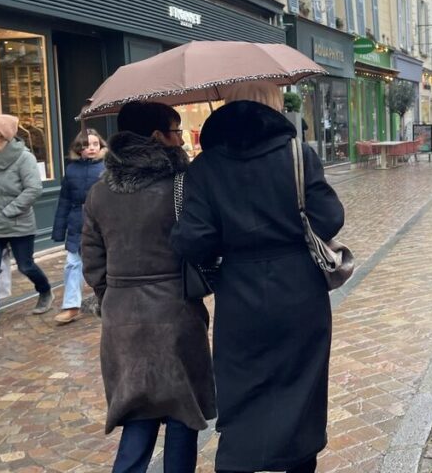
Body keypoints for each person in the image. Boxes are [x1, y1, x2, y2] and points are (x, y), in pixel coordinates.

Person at [170, 82, 345, 473]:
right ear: (274, 105)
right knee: (301, 385)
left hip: (239, 295)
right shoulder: (299, 155)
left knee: (243, 387)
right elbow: (330, 217)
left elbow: (193, 241)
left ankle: (237, 462)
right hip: (300, 291)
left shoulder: (206, 167)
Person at [82, 102, 215, 473]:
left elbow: (92, 257)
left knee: (138, 410)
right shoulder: (181, 185)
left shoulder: (100, 192)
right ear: (158, 136)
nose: (181, 139)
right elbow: (200, 241)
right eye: (176, 131)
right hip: (175, 311)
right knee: (181, 410)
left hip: (122, 318)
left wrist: (111, 297)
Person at [0, 115, 52, 334]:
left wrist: (9, 211)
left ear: (3, 132)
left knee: (26, 266)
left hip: (17, 224)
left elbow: (34, 189)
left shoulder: (24, 158)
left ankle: (44, 291)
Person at [50, 129, 105, 325]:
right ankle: (71, 306)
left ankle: (106, 298)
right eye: (86, 145)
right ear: (78, 149)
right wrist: (59, 229)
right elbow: (64, 200)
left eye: (95, 144)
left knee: (103, 262)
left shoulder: (108, 168)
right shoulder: (71, 170)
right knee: (73, 263)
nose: (91, 148)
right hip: (76, 222)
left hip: (101, 222)